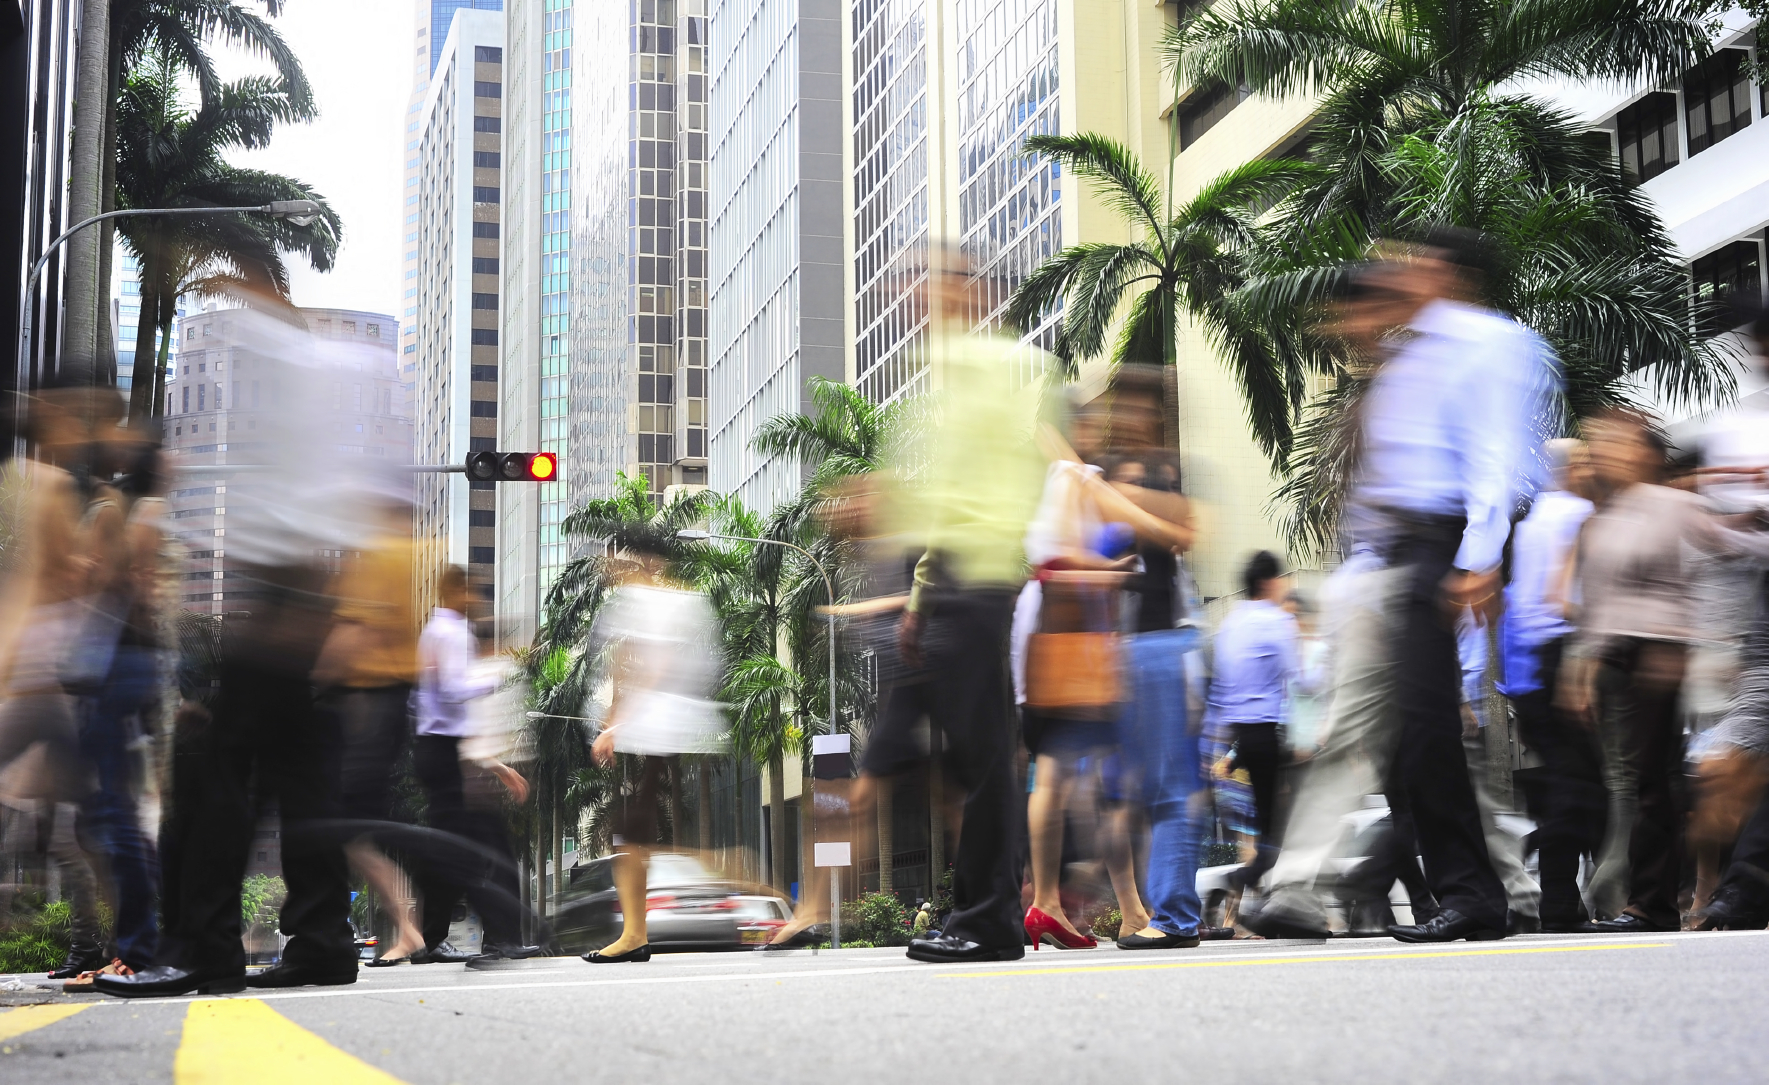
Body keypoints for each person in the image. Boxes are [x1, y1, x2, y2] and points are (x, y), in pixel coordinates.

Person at [1248, 232, 1555, 944]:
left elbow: (1494, 457)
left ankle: (1478, 894)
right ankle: (1482, 891)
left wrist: (1476, 559)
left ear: (1444, 270)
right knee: (1416, 735)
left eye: (1409, 260)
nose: (1397, 271)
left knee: (1426, 733)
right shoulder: (1410, 353)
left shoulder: (1488, 344)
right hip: (1389, 561)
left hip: (1437, 550)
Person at [100, 296, 371, 998]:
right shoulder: (322, 383)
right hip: (293, 602)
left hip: (284, 602)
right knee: (298, 785)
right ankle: (320, 939)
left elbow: (301, 506)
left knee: (215, 779)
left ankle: (206, 946)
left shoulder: (294, 384)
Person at [1559, 408, 1769, 933]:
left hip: (1663, 656)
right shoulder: (1603, 519)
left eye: (1617, 442)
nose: (1606, 450)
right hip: (1616, 663)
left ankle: (1652, 904)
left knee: (1659, 787)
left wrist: (1754, 520)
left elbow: (1734, 549)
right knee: (1640, 786)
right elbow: (1596, 607)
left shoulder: (1675, 506)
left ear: (1646, 453)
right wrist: (1580, 670)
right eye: (1598, 442)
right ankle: (1657, 899)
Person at [583, 554, 725, 963]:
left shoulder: (657, 604)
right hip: (660, 724)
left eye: (620, 567)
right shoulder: (662, 602)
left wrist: (615, 726)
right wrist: (615, 719)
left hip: (663, 722)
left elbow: (658, 669)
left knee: (629, 836)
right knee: (631, 835)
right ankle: (634, 935)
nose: (615, 575)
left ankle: (634, 936)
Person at [313, 492, 425, 965]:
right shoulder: (420, 555)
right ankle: (405, 928)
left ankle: (407, 928)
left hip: (366, 704)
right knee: (354, 831)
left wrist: (314, 681)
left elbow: (357, 632)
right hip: (391, 701)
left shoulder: (380, 556)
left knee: (349, 831)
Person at [410, 564, 539, 966]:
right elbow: (451, 691)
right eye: (472, 591)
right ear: (454, 590)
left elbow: (428, 697)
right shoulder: (451, 632)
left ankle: (431, 939)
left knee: (455, 851)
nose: (477, 599)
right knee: (487, 851)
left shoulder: (438, 630)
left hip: (440, 749)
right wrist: (496, 679)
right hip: (448, 752)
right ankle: (502, 938)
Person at [1499, 439, 1599, 931]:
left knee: (1570, 781)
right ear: (1569, 469)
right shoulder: (1581, 514)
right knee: (1581, 784)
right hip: (1569, 656)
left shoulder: (1532, 523)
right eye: (1583, 461)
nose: (1590, 468)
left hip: (1530, 672)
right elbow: (1572, 601)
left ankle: (1565, 899)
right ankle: (1565, 898)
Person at [1207, 551, 1300, 895]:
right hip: (1269, 732)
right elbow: (1299, 678)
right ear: (1268, 582)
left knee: (1264, 824)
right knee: (1275, 829)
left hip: (1241, 736)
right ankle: (1241, 880)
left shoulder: (1229, 624)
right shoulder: (1276, 621)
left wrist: (1217, 747)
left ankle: (1250, 889)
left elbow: (1220, 690)